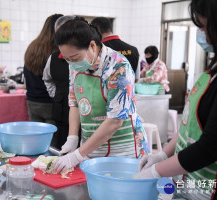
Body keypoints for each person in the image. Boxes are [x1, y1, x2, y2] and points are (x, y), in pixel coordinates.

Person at [136, 0, 217, 199]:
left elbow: (211, 146)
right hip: (192, 178)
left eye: (204, 26)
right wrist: (163, 153)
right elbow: (189, 125)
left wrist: (157, 171)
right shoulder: (215, 69)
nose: (201, 33)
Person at [53, 17, 149, 174]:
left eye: (75, 58)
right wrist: (72, 138)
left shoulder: (118, 68)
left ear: (92, 45)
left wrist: (76, 155)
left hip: (123, 150)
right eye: (67, 59)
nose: (72, 64)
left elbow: (114, 122)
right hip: (90, 148)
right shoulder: (75, 65)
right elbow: (75, 103)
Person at [24, 14, 62, 127]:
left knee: (36, 138)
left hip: (32, 101)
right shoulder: (57, 49)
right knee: (52, 141)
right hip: (50, 103)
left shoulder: (32, 46)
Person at [43, 15, 76, 149]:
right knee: (61, 147)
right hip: (61, 112)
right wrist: (56, 95)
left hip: (85, 117)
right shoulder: (54, 58)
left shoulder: (86, 56)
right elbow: (47, 78)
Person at [91, 17, 140, 82]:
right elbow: (136, 79)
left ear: (97, 29)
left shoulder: (98, 50)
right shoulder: (134, 50)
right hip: (128, 90)